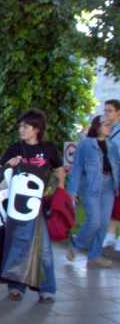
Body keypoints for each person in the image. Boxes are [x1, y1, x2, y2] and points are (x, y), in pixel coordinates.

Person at [0, 109, 65, 303]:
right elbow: (1, 173)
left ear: (36, 129)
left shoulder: (49, 149)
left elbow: (59, 170)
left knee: (44, 249)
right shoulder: (14, 148)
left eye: (25, 126)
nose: (21, 129)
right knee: (17, 244)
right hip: (17, 207)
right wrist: (9, 164)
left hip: (40, 207)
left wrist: (59, 191)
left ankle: (47, 289)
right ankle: (16, 287)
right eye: (20, 126)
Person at [67, 116, 119, 267]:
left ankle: (95, 255)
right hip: (91, 187)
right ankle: (76, 244)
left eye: (110, 125)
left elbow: (117, 167)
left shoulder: (112, 146)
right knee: (94, 222)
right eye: (106, 124)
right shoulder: (85, 145)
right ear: (97, 126)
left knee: (103, 224)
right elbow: (77, 168)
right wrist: (72, 191)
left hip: (109, 186)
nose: (109, 127)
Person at [103, 99, 120, 251]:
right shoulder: (107, 128)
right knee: (112, 205)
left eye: (110, 110)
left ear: (118, 112)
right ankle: (110, 235)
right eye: (105, 110)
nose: (106, 113)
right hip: (111, 174)